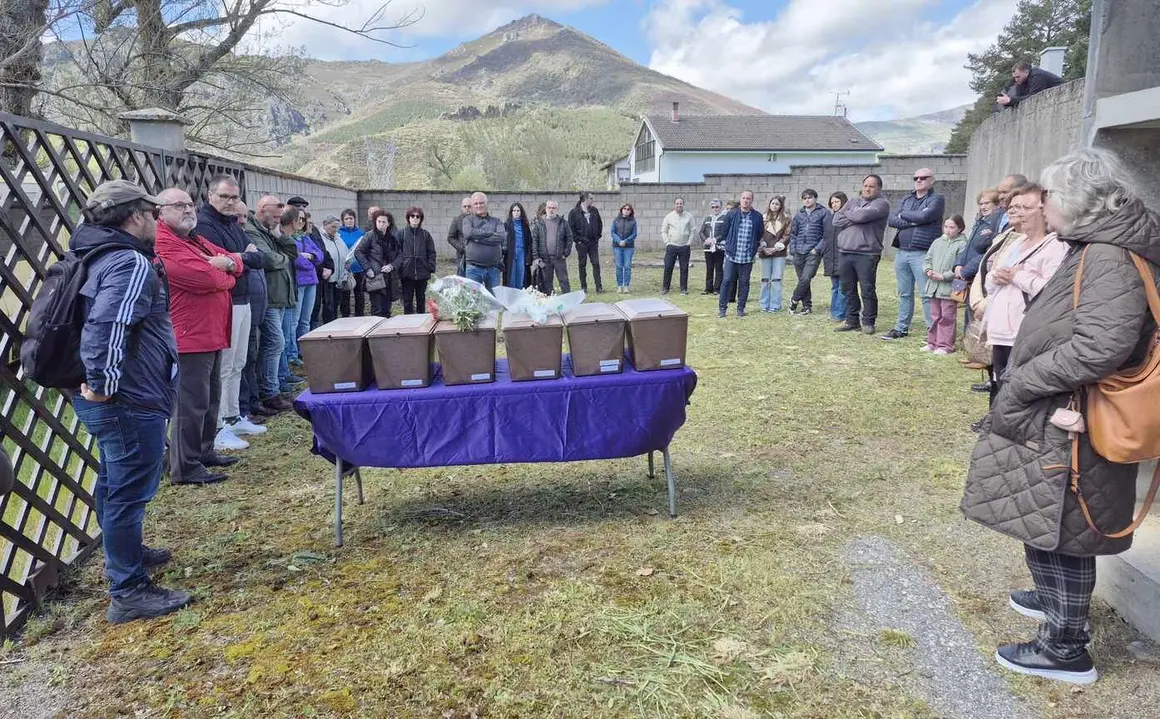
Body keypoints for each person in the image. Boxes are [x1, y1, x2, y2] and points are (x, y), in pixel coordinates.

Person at [962, 148, 1160, 686]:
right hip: (1060, 409)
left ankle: (1065, 646)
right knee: (1046, 521)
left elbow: (1101, 345)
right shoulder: (1099, 247)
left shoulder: (1108, 256)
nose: (1042, 204)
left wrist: (1024, 381)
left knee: (1064, 526)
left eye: (1049, 195)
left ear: (1077, 201)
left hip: (1069, 412)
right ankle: (1056, 601)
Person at [69, 180, 192, 623]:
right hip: (126, 396)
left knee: (113, 479)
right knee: (128, 489)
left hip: (108, 395)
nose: (158, 221)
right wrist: (103, 383)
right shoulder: (129, 262)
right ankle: (128, 589)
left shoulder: (90, 252)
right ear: (135, 216)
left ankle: (126, 555)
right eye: (152, 213)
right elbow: (109, 324)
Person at [154, 187, 246, 483]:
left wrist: (229, 264)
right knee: (190, 403)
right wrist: (226, 271)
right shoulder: (165, 243)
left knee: (210, 397)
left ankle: (203, 451)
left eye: (190, 204)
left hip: (211, 331)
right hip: (189, 335)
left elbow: (235, 260)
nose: (188, 210)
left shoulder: (193, 239)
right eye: (178, 205)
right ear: (160, 211)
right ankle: (185, 466)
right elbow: (205, 278)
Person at [194, 176, 268, 445]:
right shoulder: (205, 224)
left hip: (243, 297)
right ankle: (220, 425)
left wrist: (236, 259)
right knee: (224, 366)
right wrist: (241, 257)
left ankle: (234, 416)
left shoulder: (232, 224)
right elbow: (215, 264)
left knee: (238, 362)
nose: (230, 202)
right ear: (210, 195)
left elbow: (258, 257)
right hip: (226, 300)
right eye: (224, 196)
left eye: (234, 197)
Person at [981, 185, 1068, 404]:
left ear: (1043, 210)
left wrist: (1018, 277)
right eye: (1015, 206)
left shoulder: (1055, 246)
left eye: (1026, 207)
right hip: (1001, 332)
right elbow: (991, 280)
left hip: (1025, 333)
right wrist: (997, 277)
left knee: (1018, 396)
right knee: (1000, 389)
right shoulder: (1017, 243)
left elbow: (1055, 291)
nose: (1019, 212)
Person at [245, 195, 298, 412]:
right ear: (262, 210)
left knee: (278, 342)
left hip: (278, 294)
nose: (278, 221)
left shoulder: (269, 231)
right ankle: (270, 392)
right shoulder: (252, 230)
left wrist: (279, 236)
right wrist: (282, 258)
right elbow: (267, 259)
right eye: (275, 217)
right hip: (266, 297)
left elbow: (292, 252)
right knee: (275, 342)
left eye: (279, 217)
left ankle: (272, 388)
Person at [883, 168, 945, 340]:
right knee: (904, 293)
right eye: (915, 177)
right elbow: (892, 219)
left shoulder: (937, 199)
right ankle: (901, 328)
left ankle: (932, 331)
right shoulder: (907, 199)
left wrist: (906, 216)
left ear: (932, 180)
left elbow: (927, 216)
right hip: (902, 252)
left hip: (922, 253)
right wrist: (914, 218)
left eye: (923, 178)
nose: (919, 180)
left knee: (926, 294)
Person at [834, 175, 890, 334]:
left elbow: (862, 216)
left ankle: (868, 322)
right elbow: (836, 220)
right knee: (847, 288)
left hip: (867, 253)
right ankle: (852, 320)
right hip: (845, 251)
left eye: (871, 186)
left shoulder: (881, 203)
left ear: (879, 188)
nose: (867, 188)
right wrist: (856, 216)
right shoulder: (853, 201)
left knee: (867, 288)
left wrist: (853, 215)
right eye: (865, 185)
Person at [922, 216, 968, 355]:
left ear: (960, 228)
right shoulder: (937, 242)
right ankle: (932, 342)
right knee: (935, 315)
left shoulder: (962, 244)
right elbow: (927, 258)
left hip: (950, 287)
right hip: (934, 286)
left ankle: (945, 345)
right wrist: (928, 270)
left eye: (952, 227)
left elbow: (960, 266)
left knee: (947, 316)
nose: (948, 230)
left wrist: (944, 276)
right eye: (946, 226)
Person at [718, 190, 764, 318]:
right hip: (732, 255)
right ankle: (722, 309)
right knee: (726, 281)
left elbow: (759, 233)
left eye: (748, 198)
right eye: (744, 198)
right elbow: (724, 231)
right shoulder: (731, 214)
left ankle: (741, 308)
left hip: (747, 256)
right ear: (740, 199)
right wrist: (727, 245)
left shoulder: (757, 216)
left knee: (744, 282)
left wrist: (754, 247)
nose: (746, 200)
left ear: (752, 200)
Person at [787, 189, 830, 316]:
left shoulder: (823, 213)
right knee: (802, 280)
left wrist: (817, 249)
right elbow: (793, 234)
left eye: (810, 197)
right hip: (798, 252)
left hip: (813, 252)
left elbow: (827, 234)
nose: (807, 200)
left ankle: (794, 300)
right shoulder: (799, 214)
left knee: (806, 278)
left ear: (815, 198)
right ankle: (807, 307)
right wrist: (793, 249)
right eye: (804, 198)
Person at [355, 209, 400, 317]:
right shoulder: (370, 235)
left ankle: (386, 332)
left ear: (389, 223)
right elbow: (358, 251)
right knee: (376, 310)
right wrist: (368, 268)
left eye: (384, 222)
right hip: (375, 277)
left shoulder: (392, 238)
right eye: (379, 221)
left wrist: (392, 266)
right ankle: (376, 333)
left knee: (386, 310)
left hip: (389, 277)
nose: (381, 224)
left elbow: (400, 255)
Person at [461, 192, 506, 292]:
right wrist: (491, 233)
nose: (478, 206)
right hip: (473, 269)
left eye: (481, 203)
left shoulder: (497, 221)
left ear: (486, 203)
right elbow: (468, 233)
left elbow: (501, 237)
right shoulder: (467, 220)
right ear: (472, 206)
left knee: (494, 300)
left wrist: (477, 238)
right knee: (472, 300)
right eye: (476, 203)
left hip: (493, 269)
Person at [396, 207, 437, 314]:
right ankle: (409, 323)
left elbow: (431, 252)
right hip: (406, 273)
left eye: (417, 216)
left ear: (421, 219)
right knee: (407, 301)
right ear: (408, 218)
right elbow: (396, 252)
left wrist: (430, 266)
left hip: (422, 273)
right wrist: (400, 267)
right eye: (412, 216)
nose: (415, 218)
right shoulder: (402, 234)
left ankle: (421, 323)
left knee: (421, 300)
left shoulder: (425, 235)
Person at [531, 200, 573, 294]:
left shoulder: (563, 223)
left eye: (553, 208)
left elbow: (569, 238)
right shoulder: (539, 224)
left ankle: (567, 301)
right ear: (545, 209)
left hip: (559, 258)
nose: (551, 210)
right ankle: (549, 302)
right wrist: (536, 257)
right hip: (545, 259)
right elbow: (534, 241)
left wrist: (566, 253)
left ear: (557, 209)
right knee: (547, 283)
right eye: (549, 207)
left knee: (564, 281)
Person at [757, 196, 790, 313]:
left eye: (777, 204)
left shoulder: (786, 219)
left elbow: (787, 235)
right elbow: (758, 233)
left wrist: (776, 247)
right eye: (773, 203)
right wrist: (763, 246)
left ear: (780, 206)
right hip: (764, 252)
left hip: (779, 253)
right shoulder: (762, 218)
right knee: (765, 280)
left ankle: (775, 305)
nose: (774, 206)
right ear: (769, 204)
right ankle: (764, 304)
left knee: (776, 279)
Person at [317, 214, 350, 324]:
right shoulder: (320, 238)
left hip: (339, 277)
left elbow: (345, 253)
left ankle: (335, 324)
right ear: (325, 225)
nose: (335, 229)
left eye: (337, 227)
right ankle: (328, 326)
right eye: (333, 227)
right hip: (328, 278)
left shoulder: (338, 238)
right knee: (328, 306)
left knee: (336, 304)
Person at [568, 191, 604, 293]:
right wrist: (578, 241)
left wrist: (597, 237)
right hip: (581, 244)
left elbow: (600, 224)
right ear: (585, 199)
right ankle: (584, 287)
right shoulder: (574, 213)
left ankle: (599, 287)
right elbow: (571, 229)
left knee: (596, 263)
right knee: (582, 265)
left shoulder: (594, 210)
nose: (593, 200)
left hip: (593, 243)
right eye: (591, 198)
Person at [661, 197, 695, 294]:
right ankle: (665, 288)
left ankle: (683, 289)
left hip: (684, 246)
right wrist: (667, 242)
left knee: (684, 268)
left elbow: (693, 230)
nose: (679, 205)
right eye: (677, 203)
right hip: (672, 246)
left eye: (681, 203)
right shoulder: (669, 216)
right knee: (668, 267)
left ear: (683, 205)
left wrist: (688, 243)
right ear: (674, 205)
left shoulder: (689, 216)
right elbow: (663, 230)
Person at [996, 60, 1063, 109]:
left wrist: (1010, 100)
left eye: (1018, 77)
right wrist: (1008, 101)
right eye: (1014, 77)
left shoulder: (1037, 77)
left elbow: (1033, 97)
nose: (1016, 80)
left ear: (1026, 72)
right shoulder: (1022, 80)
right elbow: (1020, 97)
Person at [337, 209, 365, 317]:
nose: (349, 221)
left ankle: (359, 315)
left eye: (351, 218)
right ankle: (345, 316)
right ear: (343, 221)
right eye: (346, 219)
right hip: (345, 269)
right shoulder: (339, 233)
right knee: (345, 294)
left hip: (359, 267)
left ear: (354, 219)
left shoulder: (361, 233)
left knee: (359, 293)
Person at [699, 199, 727, 295]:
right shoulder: (707, 219)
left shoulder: (724, 218)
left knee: (719, 268)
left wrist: (715, 240)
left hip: (719, 247)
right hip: (708, 247)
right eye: (713, 207)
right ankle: (708, 288)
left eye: (717, 207)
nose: (715, 209)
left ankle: (717, 289)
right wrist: (705, 240)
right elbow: (701, 231)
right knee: (709, 268)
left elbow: (724, 232)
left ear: (720, 207)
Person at [504, 202, 532, 289]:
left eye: (518, 211)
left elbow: (529, 241)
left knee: (521, 275)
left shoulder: (525, 225)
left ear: (521, 212)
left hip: (522, 253)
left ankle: (520, 294)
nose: (516, 212)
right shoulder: (507, 224)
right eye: (514, 211)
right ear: (511, 212)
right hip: (510, 254)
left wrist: (529, 256)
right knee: (511, 277)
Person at [611, 203, 638, 294]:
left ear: (631, 212)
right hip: (617, 247)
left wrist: (626, 241)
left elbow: (634, 234)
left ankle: (626, 286)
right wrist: (619, 241)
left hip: (628, 247)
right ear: (621, 210)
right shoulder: (616, 220)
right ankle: (619, 286)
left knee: (627, 266)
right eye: (624, 208)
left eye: (628, 209)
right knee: (619, 266)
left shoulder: (633, 221)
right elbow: (612, 232)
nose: (626, 210)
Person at [448, 196, 471, 276]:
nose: (467, 208)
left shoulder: (477, 220)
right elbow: (450, 237)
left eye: (469, 206)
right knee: (461, 279)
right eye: (465, 206)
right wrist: (461, 248)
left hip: (475, 257)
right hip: (462, 256)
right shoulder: (457, 220)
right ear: (462, 207)